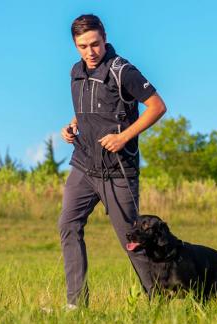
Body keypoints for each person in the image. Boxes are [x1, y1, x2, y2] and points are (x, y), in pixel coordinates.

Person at [59, 14, 166, 308]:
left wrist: (124, 137)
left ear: (104, 38)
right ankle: (76, 304)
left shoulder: (123, 71)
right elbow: (87, 111)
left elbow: (158, 107)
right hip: (83, 165)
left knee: (133, 241)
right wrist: (71, 126)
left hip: (118, 171)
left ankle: (157, 302)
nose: (90, 52)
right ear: (75, 45)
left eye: (95, 44)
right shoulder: (75, 72)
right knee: (68, 225)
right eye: (82, 46)